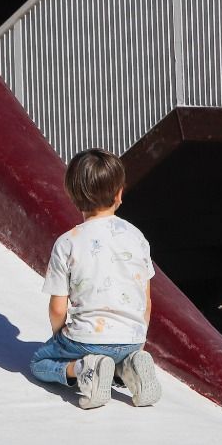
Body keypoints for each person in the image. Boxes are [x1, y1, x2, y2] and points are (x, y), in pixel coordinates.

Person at [29, 149, 161, 410]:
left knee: (38, 362)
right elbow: (146, 301)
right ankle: (129, 364)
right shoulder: (137, 237)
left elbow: (58, 307)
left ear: (72, 195)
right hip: (132, 337)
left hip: (86, 339)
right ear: (119, 193)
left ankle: (85, 369)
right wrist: (136, 338)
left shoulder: (67, 242)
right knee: (119, 353)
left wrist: (59, 336)